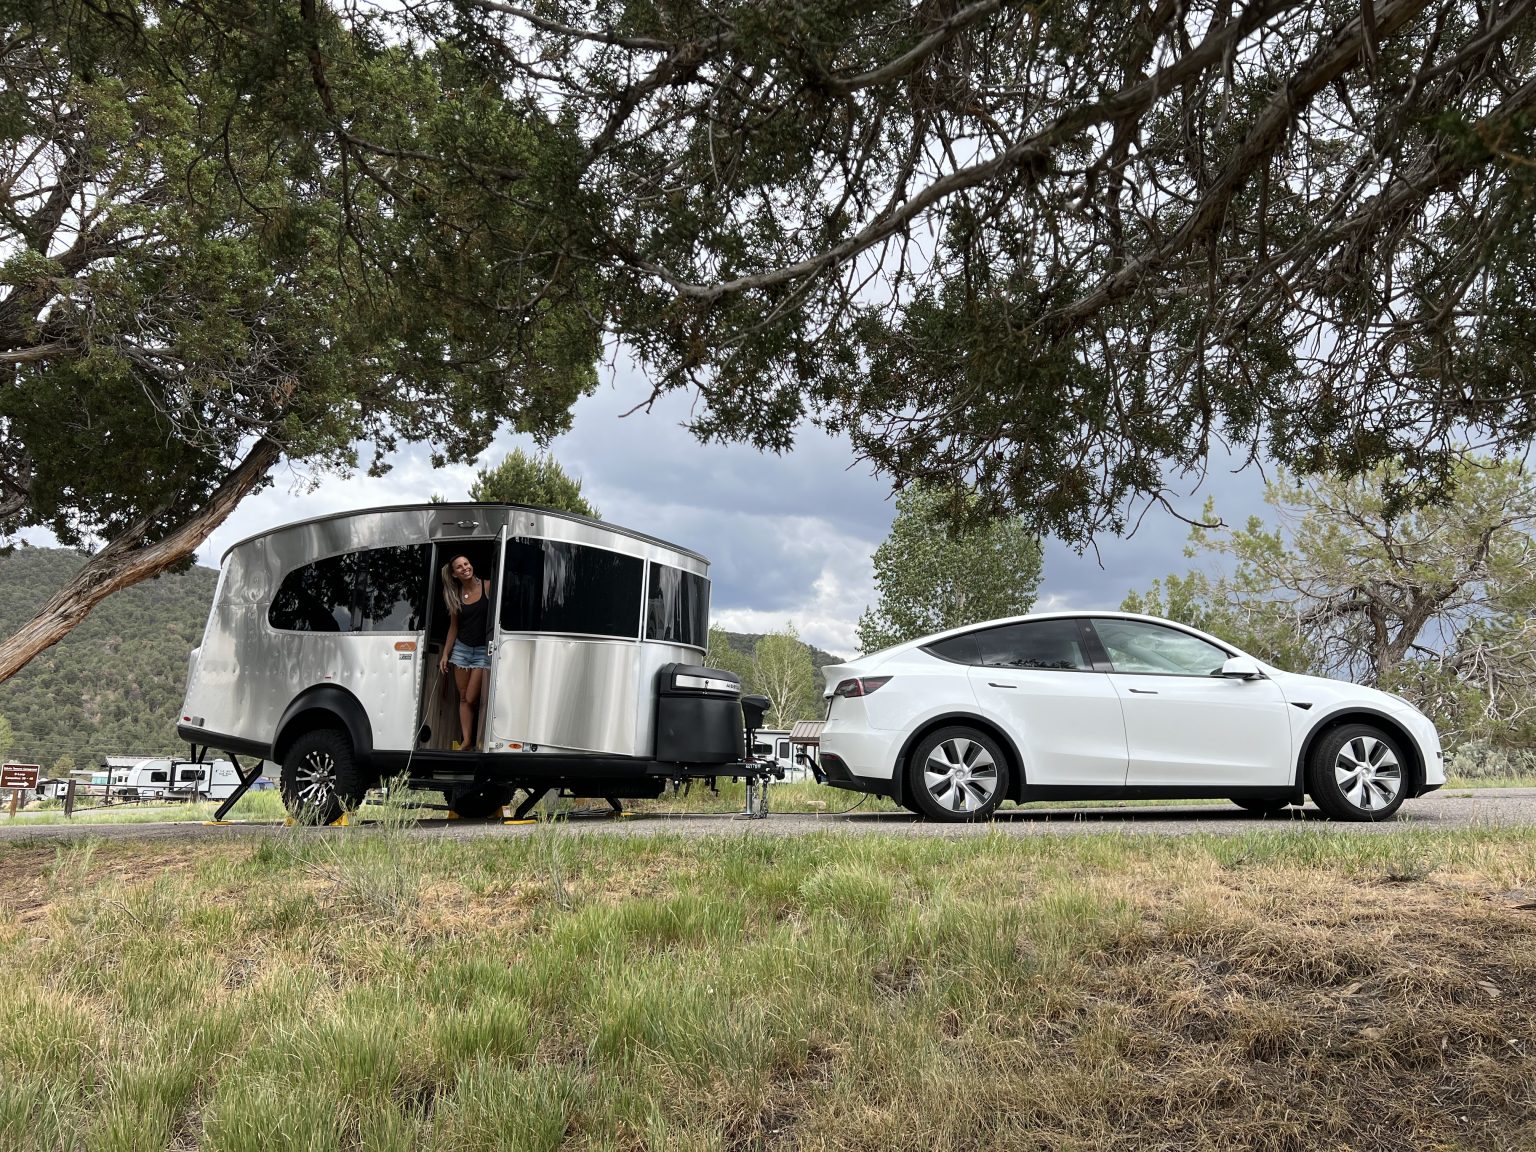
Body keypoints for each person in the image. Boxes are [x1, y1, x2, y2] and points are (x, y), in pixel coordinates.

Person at [439, 554, 492, 751]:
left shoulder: (488, 586)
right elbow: (454, 627)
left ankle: (479, 738)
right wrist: (446, 654)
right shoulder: (456, 595)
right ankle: (467, 741)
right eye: (459, 567)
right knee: (463, 698)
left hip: (482, 651)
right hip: (461, 650)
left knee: (471, 697)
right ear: (454, 574)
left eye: (466, 563)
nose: (465, 568)